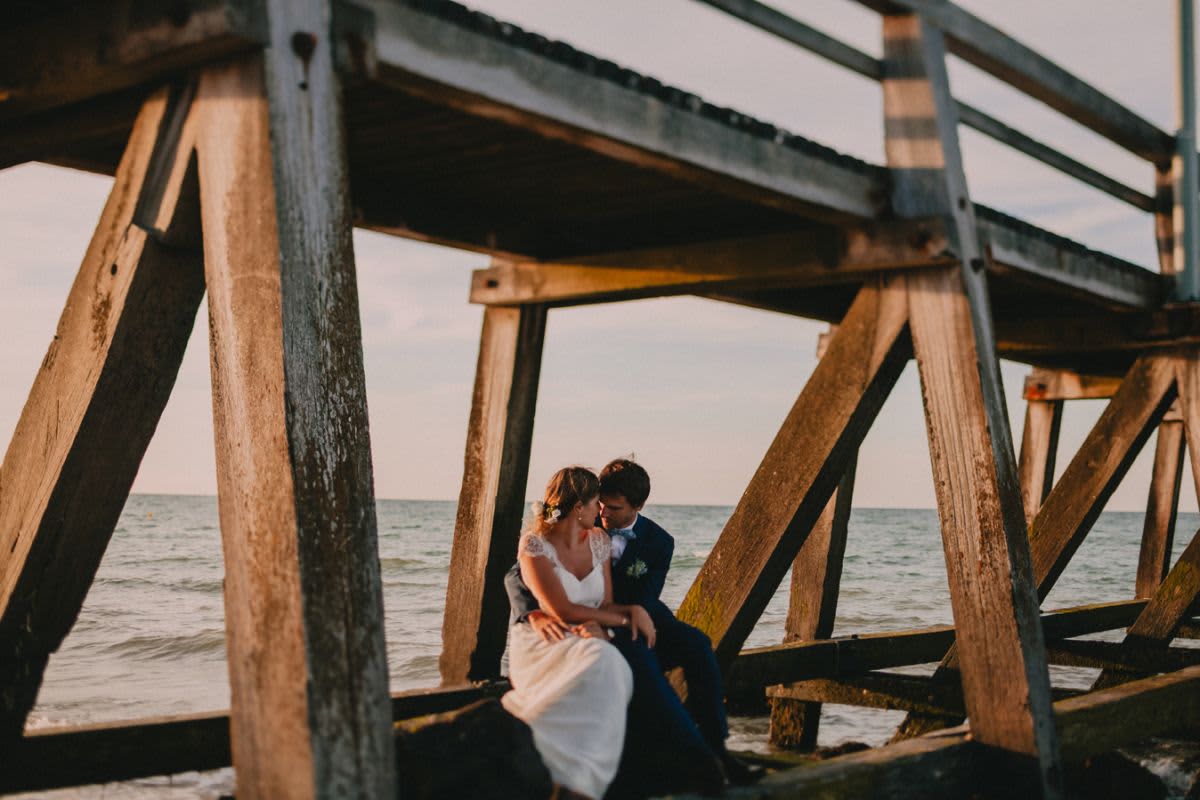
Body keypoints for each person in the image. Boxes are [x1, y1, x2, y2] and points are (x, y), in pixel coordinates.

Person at [506, 458, 761, 797]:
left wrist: (622, 617)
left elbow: (644, 599)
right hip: (589, 623)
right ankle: (690, 756)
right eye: (600, 505)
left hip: (634, 614)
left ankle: (717, 747)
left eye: (613, 508)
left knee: (698, 645)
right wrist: (531, 614)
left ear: (637, 506)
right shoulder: (571, 523)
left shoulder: (658, 542)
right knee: (639, 661)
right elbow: (518, 575)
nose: (603, 513)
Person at [501, 466, 652, 800]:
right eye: (596, 501)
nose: (601, 509)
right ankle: (572, 774)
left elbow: (607, 603)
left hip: (586, 632)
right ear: (578, 507)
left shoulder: (599, 542)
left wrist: (631, 612)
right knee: (604, 660)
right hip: (546, 637)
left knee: (608, 665)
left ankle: (584, 776)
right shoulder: (535, 545)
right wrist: (620, 623)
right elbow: (560, 610)